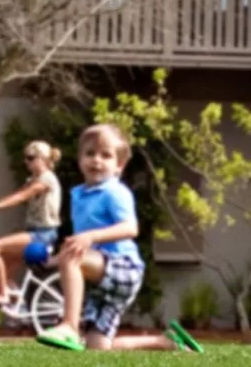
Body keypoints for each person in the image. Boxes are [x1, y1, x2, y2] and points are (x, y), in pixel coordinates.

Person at [35, 123, 203, 353]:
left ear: (119, 166)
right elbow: (81, 242)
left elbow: (130, 228)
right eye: (90, 153)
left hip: (123, 267)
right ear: (79, 159)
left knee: (73, 255)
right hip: (101, 276)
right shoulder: (78, 195)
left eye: (106, 155)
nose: (96, 160)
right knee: (98, 347)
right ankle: (165, 342)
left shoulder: (115, 192)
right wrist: (57, 259)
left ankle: (69, 326)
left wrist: (84, 242)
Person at [0, 140, 62, 309]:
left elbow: (22, 197)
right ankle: (11, 292)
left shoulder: (46, 179)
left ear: (42, 158)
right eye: (25, 158)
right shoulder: (33, 179)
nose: (26, 162)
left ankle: (2, 294)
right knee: (4, 264)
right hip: (35, 232)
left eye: (30, 157)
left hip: (42, 235)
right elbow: (17, 194)